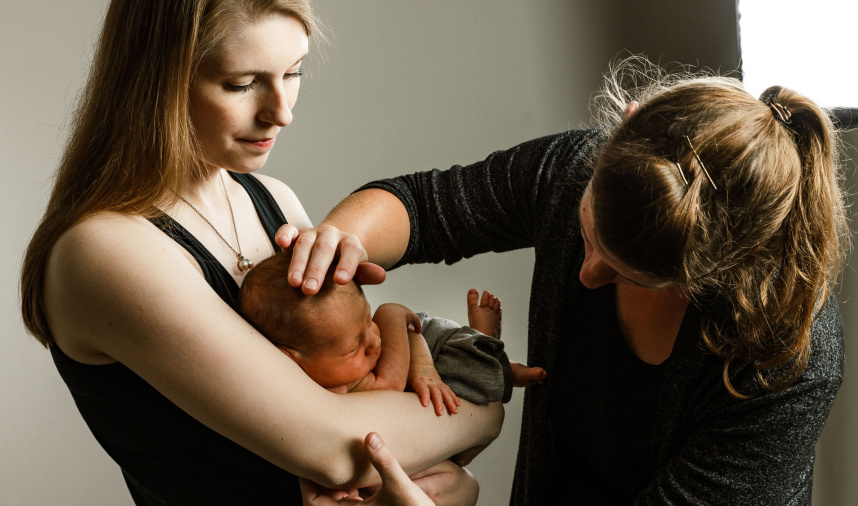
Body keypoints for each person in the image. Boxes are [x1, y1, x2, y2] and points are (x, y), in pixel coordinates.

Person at [282, 59, 849, 505]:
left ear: (731, 264)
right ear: (621, 129)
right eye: (588, 235)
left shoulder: (786, 355)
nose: (586, 274)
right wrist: (332, 242)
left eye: (633, 274)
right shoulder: (568, 170)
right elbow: (427, 209)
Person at [19, 1, 502, 504]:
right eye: (242, 83)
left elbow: (367, 400)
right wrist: (486, 410)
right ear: (158, 81)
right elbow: (340, 449)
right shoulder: (103, 251)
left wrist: (446, 477)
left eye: (293, 72)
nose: (283, 112)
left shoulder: (271, 198)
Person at [238, 251, 548, 412]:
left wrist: (392, 321)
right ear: (292, 360)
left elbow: (389, 381)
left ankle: (489, 347)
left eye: (367, 321)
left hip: (424, 342)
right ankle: (485, 348)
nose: (372, 342)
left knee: (454, 367)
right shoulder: (310, 390)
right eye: (353, 347)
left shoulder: (359, 362)